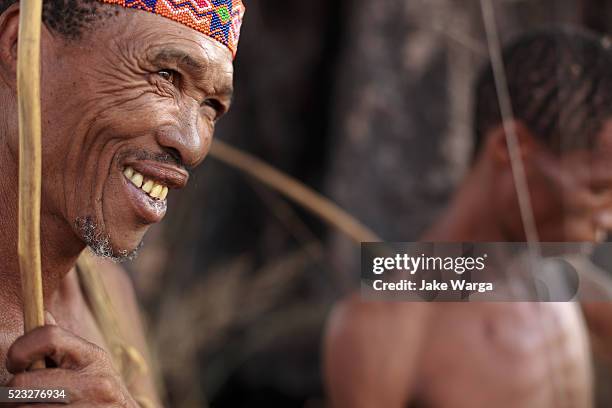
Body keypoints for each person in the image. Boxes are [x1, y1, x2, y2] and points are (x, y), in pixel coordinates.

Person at [324, 27, 612, 408]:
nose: (607, 219)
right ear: (512, 148)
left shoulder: (561, 278)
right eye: (597, 189)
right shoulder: (384, 325)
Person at [0, 0, 244, 405]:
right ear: (20, 48)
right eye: (166, 76)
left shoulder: (106, 295)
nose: (194, 144)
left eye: (211, 107)